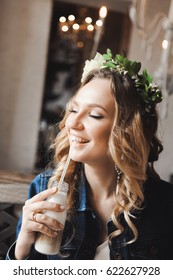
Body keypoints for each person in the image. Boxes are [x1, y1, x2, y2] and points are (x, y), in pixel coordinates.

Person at [7, 49, 173, 260]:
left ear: (126, 132)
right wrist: (22, 246)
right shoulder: (45, 188)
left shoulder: (165, 204)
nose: (72, 124)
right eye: (74, 110)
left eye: (94, 115)